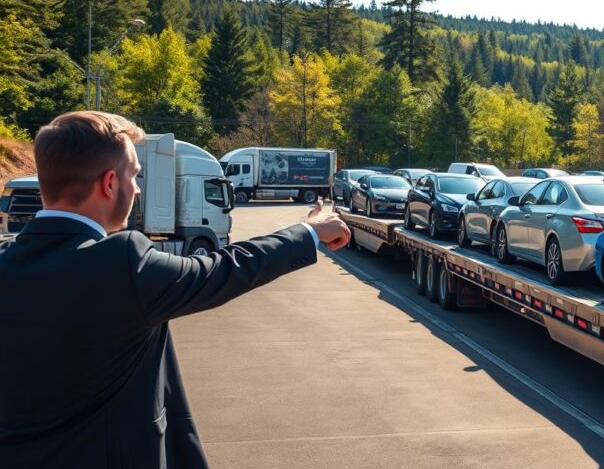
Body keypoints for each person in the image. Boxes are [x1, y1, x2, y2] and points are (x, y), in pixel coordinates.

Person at [0, 111, 351, 468]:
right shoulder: (122, 263)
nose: (137, 188)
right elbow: (224, 269)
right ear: (109, 184)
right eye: (135, 176)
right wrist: (309, 232)